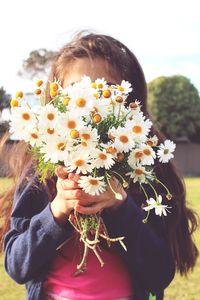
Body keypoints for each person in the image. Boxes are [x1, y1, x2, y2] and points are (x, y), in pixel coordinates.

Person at [0, 32, 199, 300]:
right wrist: (56, 212)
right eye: (75, 91)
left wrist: (120, 207)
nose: (91, 100)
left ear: (129, 102)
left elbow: (159, 274)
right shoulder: (40, 173)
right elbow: (17, 265)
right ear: (55, 102)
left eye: (106, 89)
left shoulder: (144, 170)